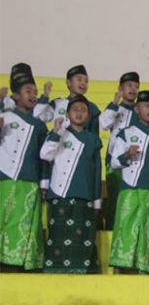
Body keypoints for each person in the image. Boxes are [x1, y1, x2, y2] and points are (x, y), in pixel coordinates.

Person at [108, 90, 149, 274]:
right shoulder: (125, 133)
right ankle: (123, 267)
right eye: (146, 105)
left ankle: (144, 268)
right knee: (126, 227)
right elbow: (114, 162)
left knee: (147, 230)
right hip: (129, 189)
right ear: (137, 109)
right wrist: (127, 155)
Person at [40, 95, 102, 273]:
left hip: (84, 195)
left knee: (83, 238)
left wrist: (97, 200)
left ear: (89, 116)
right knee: (58, 236)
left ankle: (81, 271)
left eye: (83, 110)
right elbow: (45, 155)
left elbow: (97, 170)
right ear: (67, 114)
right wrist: (56, 132)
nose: (79, 113)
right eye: (75, 110)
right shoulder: (60, 134)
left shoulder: (93, 139)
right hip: (60, 194)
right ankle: (55, 271)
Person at [0, 74, 48, 271]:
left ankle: (19, 262)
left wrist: (44, 183)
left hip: (29, 180)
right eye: (28, 91)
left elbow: (43, 157)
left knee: (25, 221)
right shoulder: (5, 117)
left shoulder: (39, 125)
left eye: (36, 92)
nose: (33, 95)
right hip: (4, 177)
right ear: (16, 96)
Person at [98, 72, 140, 230]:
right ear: (120, 88)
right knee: (114, 199)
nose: (133, 89)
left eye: (136, 86)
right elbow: (103, 124)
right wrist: (115, 102)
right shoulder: (115, 108)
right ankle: (110, 230)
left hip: (135, 162)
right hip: (115, 162)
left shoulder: (140, 110)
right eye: (129, 85)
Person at [34, 65, 101, 134]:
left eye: (86, 81)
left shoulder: (92, 108)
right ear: (68, 82)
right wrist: (45, 96)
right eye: (79, 79)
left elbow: (94, 135)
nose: (83, 83)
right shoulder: (58, 103)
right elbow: (39, 116)